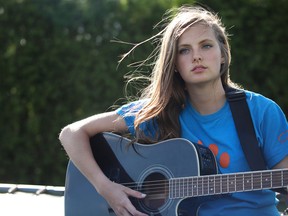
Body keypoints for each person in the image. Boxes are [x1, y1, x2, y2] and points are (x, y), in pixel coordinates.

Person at [59, 5, 288, 216]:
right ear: (174, 64)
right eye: (184, 50)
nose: (196, 56)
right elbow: (71, 133)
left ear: (223, 55)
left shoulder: (261, 111)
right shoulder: (158, 112)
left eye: (206, 45)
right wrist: (105, 187)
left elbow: (284, 179)